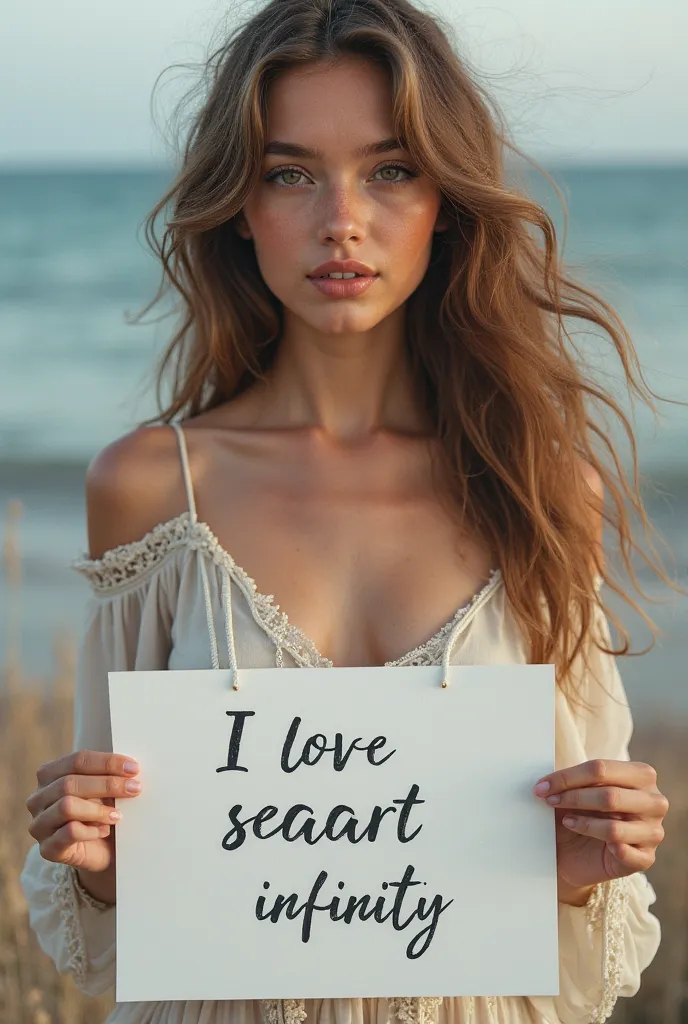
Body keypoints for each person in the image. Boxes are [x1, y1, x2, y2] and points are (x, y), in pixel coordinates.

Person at [20, 0, 674, 1021]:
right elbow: (116, 932)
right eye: (289, 173)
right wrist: (94, 858)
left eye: (390, 169)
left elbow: (584, 934)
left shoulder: (540, 490)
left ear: (447, 199)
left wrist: (591, 861)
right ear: (239, 203)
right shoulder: (152, 486)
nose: (341, 220)